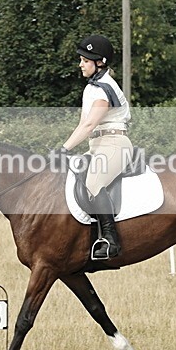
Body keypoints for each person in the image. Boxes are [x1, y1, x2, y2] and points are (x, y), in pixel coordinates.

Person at [61, 34, 132, 260]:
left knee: (94, 182)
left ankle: (111, 241)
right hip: (98, 144)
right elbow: (84, 125)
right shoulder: (92, 87)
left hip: (114, 144)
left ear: (99, 62)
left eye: (85, 60)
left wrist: (64, 148)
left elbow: (90, 123)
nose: (80, 64)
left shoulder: (103, 88)